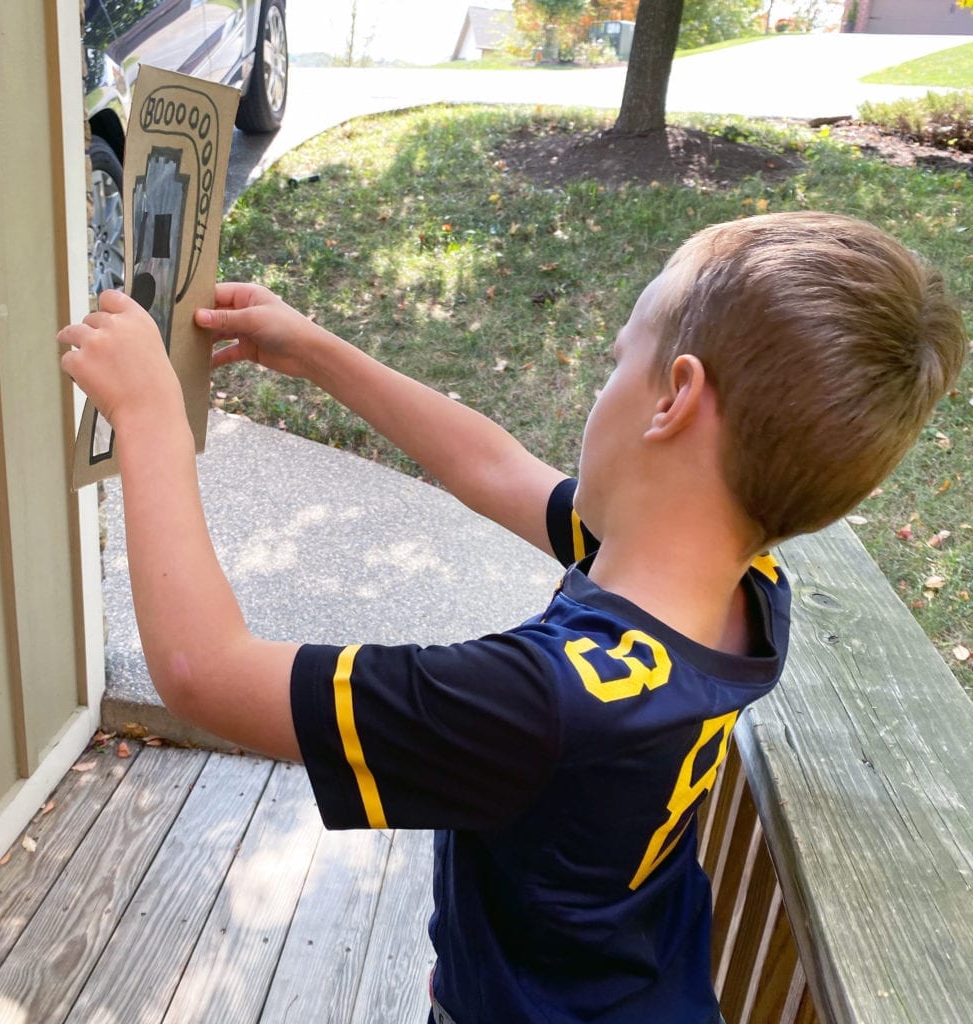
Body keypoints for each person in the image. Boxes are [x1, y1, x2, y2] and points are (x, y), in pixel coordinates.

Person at [57, 211, 966, 1024]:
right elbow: (496, 470)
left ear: (674, 399)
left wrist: (148, 415)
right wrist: (315, 349)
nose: (602, 382)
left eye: (618, 358)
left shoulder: (541, 701)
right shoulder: (735, 587)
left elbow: (201, 669)